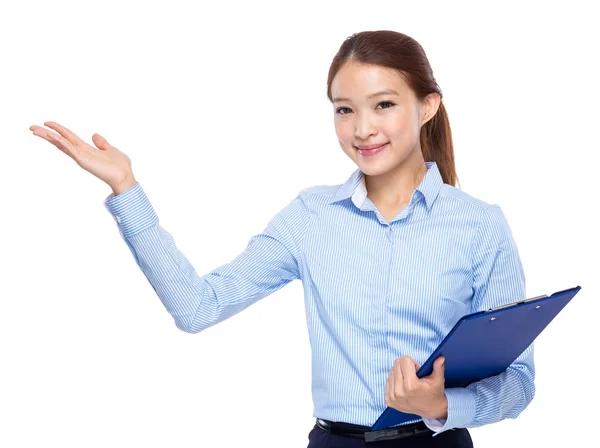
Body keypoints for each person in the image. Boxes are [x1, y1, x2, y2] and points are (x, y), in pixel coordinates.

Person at [29, 30, 534, 447]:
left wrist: (443, 405)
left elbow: (518, 384)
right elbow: (197, 306)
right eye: (344, 109)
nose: (362, 129)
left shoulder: (479, 226)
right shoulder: (311, 216)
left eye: (384, 105)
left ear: (427, 106)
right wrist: (126, 188)